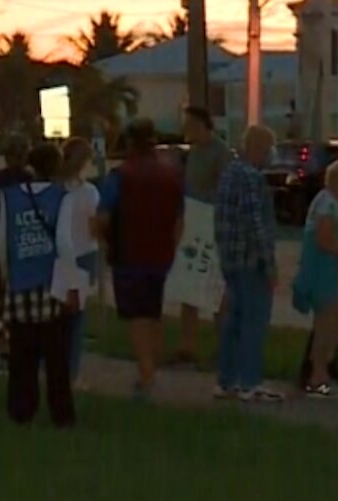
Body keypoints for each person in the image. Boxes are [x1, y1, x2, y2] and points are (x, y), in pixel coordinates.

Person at [0, 142, 79, 427]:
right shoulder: (61, 197)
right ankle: (61, 414)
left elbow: (3, 240)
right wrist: (70, 284)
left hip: (20, 281)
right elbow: (65, 242)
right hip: (51, 283)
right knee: (56, 356)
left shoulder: (10, 196)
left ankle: (21, 410)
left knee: (21, 355)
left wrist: (5, 278)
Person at [98, 119, 184, 399]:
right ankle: (151, 370)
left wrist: (103, 239)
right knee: (153, 312)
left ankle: (146, 377)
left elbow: (103, 216)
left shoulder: (120, 176)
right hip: (160, 255)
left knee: (136, 316)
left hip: (128, 254)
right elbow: (179, 221)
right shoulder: (171, 175)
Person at [212, 125, 281, 402]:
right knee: (254, 321)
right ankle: (249, 381)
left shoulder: (229, 174)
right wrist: (269, 263)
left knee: (233, 322)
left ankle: (227, 379)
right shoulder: (252, 178)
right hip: (251, 261)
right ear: (260, 148)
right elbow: (256, 224)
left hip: (230, 260)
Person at [292, 158, 338, 398]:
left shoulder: (332, 203)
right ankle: (317, 376)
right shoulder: (327, 203)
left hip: (331, 273)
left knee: (332, 324)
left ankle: (321, 374)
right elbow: (324, 239)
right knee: (326, 325)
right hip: (322, 272)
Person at [172, 105, 234, 367]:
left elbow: (225, 190)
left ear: (202, 125)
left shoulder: (221, 154)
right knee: (189, 287)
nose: (186, 130)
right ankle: (187, 347)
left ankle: (225, 348)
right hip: (191, 225)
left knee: (215, 288)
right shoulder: (193, 153)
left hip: (211, 227)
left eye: (190, 124)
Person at [0, 135, 34, 375]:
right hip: (24, 247)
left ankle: (4, 349)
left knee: (3, 302)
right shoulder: (31, 181)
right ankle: (24, 347)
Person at [59, 137, 101, 390]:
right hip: (85, 253)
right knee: (77, 317)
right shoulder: (90, 193)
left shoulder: (57, 190)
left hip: (62, 255)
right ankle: (72, 371)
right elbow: (94, 227)